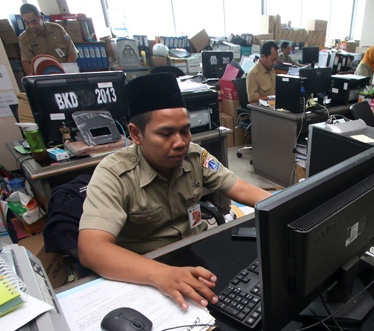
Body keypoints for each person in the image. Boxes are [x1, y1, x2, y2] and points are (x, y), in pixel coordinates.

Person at [78, 73, 272, 311]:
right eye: (166, 133)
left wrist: (287, 203)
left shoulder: (194, 155)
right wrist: (162, 274)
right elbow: (91, 249)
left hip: (195, 253)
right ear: (136, 134)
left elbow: (240, 187)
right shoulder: (113, 174)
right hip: (146, 270)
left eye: (185, 131)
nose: (180, 142)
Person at [18, 4, 77, 76]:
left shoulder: (57, 29)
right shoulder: (24, 39)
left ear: (41, 18)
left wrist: (65, 71)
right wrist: (36, 79)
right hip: (44, 76)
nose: (31, 26)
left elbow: (72, 52)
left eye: (34, 22)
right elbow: (26, 62)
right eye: (27, 23)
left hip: (67, 72)